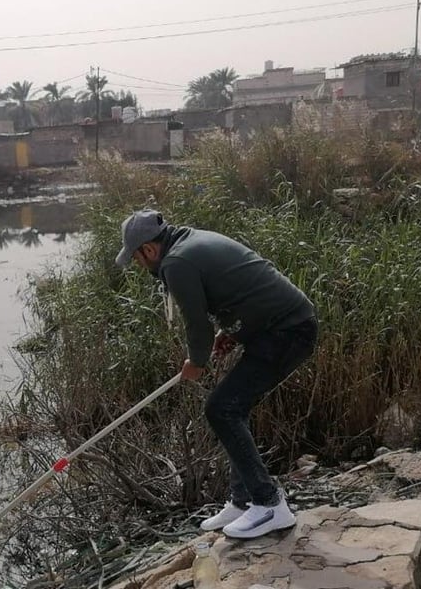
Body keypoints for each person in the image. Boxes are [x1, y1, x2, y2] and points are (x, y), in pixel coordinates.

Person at [115, 209, 318, 539]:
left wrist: (196, 361)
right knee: (231, 408)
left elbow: (197, 327)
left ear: (148, 250)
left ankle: (269, 505)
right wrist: (234, 333)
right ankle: (242, 501)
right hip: (283, 327)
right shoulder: (191, 240)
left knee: (221, 409)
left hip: (287, 332)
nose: (140, 266)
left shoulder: (175, 263)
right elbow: (243, 292)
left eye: (137, 258)